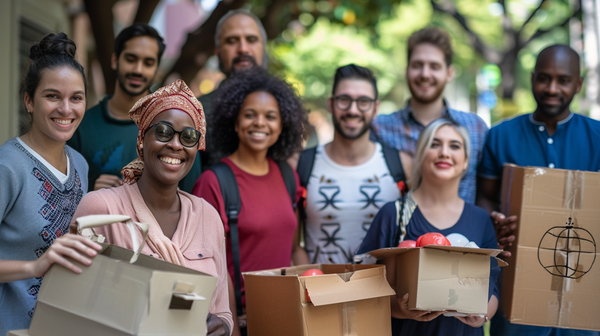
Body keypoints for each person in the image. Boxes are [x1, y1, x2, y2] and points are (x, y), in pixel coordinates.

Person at [71, 79, 231, 336]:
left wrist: (221, 326)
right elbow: (68, 304)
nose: (176, 145)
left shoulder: (208, 217)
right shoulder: (102, 209)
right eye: (163, 132)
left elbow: (223, 311)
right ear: (142, 138)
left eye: (188, 137)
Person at [477, 45, 600, 336]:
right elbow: (484, 196)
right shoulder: (500, 136)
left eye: (564, 80)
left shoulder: (597, 137)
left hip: (583, 293)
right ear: (532, 79)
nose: (552, 88)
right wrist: (491, 221)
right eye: (544, 78)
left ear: (578, 84)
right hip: (517, 293)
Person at [0, 33, 102, 336]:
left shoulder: (80, 165)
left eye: (77, 97)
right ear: (29, 101)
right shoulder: (8, 166)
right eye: (52, 96)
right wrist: (33, 267)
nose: (66, 109)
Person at [359, 118, 500, 336]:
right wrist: (405, 311)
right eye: (434, 144)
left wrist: (481, 316)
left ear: (465, 161)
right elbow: (368, 291)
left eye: (455, 146)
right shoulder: (393, 214)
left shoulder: (481, 220)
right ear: (420, 155)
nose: (444, 152)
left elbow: (493, 290)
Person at [193, 67, 306, 335]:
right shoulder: (214, 182)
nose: (260, 123)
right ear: (234, 122)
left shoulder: (288, 176)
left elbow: (294, 249)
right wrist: (229, 323)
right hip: (241, 323)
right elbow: (206, 266)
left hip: (289, 317)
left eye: (270, 116)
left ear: (282, 125)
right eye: (249, 115)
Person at [68, 23, 201, 192]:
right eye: (131, 59)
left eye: (148, 63)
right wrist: (90, 191)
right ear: (115, 60)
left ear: (156, 68)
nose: (138, 70)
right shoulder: (81, 126)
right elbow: (64, 199)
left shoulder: (179, 125)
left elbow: (192, 200)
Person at [298, 64, 406, 264]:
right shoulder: (302, 164)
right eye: (344, 100)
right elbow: (292, 244)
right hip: (319, 291)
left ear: (376, 108)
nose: (353, 110)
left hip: (384, 292)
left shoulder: (402, 165)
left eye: (363, 101)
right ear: (330, 104)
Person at [371, 27, 488, 204]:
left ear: (449, 73)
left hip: (464, 231)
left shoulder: (475, 128)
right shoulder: (380, 128)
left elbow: (487, 195)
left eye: (434, 66)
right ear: (406, 70)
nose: (425, 74)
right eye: (417, 65)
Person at [198, 9, 269, 169]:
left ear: (263, 48)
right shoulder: (197, 113)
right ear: (217, 52)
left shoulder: (284, 108)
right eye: (232, 41)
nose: (243, 48)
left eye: (251, 39)